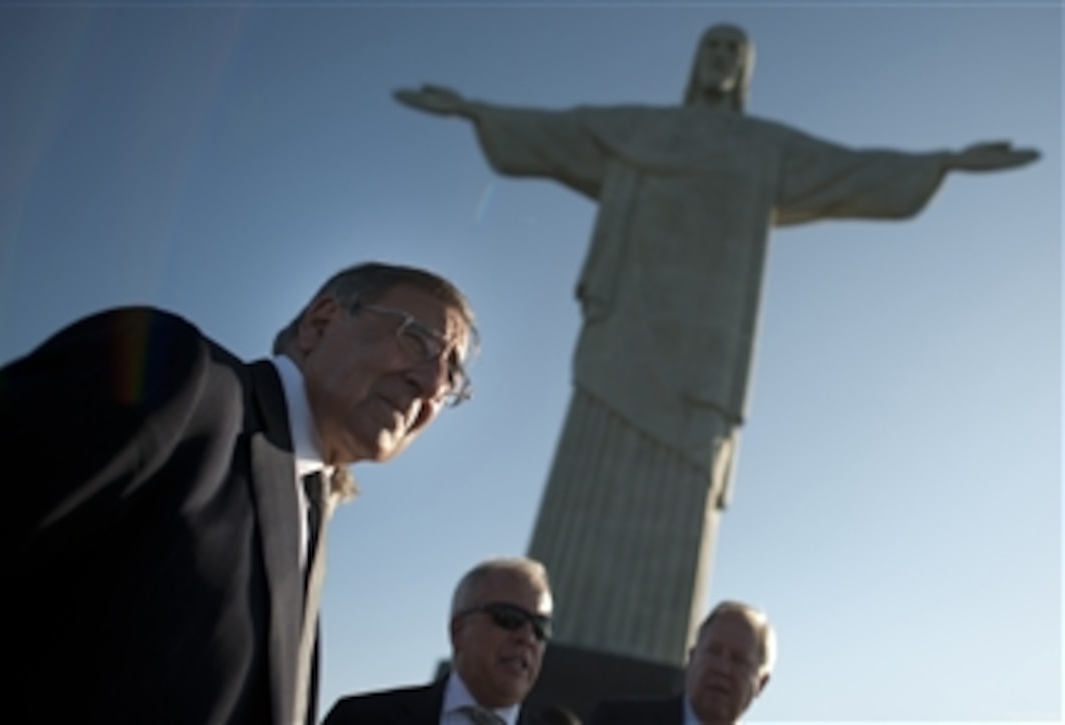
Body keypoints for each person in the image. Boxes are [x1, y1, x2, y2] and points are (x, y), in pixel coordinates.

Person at [393, 24, 1040, 666]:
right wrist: (475, 111)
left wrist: (943, 163)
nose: (721, 59)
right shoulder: (644, 128)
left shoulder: (763, 147)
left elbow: (851, 169)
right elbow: (565, 131)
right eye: (713, 47)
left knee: (684, 487)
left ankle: (642, 648)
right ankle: (558, 630)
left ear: (747, 69)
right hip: (622, 335)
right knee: (591, 466)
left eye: (735, 51)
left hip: (704, 353)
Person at [0, 261, 477, 724]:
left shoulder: (311, 513)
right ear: (321, 323)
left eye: (452, 375)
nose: (432, 384)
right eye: (418, 339)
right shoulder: (181, 377)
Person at [322, 556, 554, 724]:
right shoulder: (361, 719)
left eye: (540, 627)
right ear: (458, 630)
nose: (527, 637)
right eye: (508, 618)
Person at [587, 601, 775, 725]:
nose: (722, 668)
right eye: (713, 651)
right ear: (692, 658)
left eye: (738, 660)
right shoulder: (617, 720)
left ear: (762, 683)